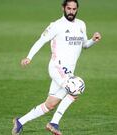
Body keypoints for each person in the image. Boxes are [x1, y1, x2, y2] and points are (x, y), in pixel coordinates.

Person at [12, 0, 101, 134]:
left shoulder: (81, 24)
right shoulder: (56, 25)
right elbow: (40, 41)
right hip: (57, 67)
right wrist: (29, 57)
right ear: (63, 8)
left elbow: (84, 45)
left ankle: (20, 122)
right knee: (77, 87)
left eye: (74, 9)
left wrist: (93, 40)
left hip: (68, 71)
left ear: (77, 9)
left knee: (50, 104)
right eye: (69, 8)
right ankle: (54, 123)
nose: (71, 11)